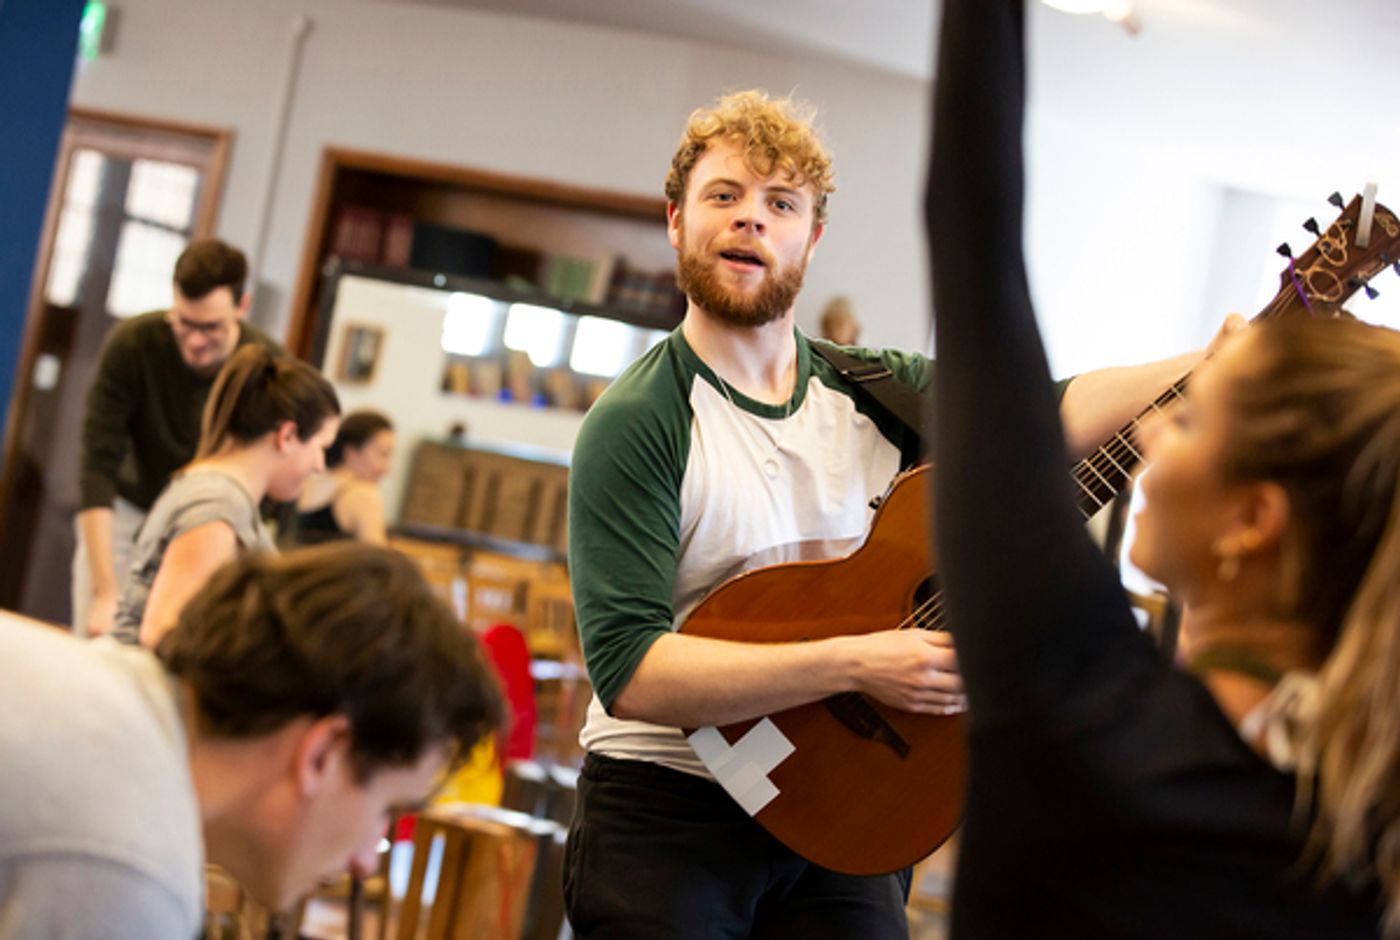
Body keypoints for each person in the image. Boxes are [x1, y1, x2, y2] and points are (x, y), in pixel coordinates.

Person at [564, 88, 1226, 938]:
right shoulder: (640, 422)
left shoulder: (876, 390)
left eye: (780, 204)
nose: (750, 221)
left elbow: (1042, 412)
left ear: (814, 236)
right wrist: (857, 663)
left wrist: (1213, 359)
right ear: (676, 221)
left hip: (849, 804)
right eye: (723, 196)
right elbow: (632, 674)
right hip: (670, 807)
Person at [927, 0, 1388, 934]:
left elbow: (973, 237)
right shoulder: (1368, 839)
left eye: (1193, 423)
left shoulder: (1082, 712)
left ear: (1252, 519)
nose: (1149, 437)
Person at [0, 542, 502, 939]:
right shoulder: (129, 871)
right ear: (323, 753)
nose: (365, 861)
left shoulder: (96, 685)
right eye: (385, 812)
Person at [74, 238, 279, 637]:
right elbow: (97, 465)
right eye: (184, 322)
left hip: (210, 524)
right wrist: (103, 592)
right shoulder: (133, 343)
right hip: (131, 512)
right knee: (95, 647)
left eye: (211, 327)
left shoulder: (267, 367)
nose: (196, 340)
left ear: (243, 306)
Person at [110, 345, 340, 648]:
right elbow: (164, 632)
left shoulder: (223, 495)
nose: (320, 466)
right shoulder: (218, 504)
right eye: (322, 448)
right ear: (286, 436)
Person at [292, 409, 395, 545]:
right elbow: (379, 562)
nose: (387, 469)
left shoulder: (306, 482)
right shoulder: (362, 494)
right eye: (383, 454)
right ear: (351, 452)